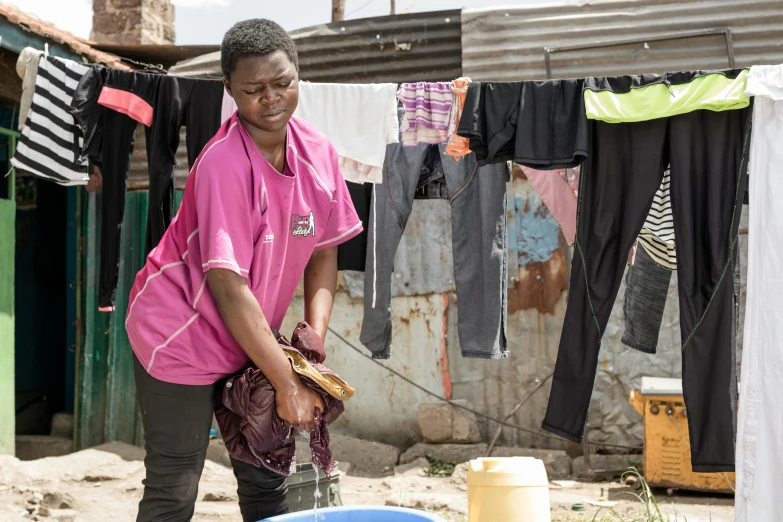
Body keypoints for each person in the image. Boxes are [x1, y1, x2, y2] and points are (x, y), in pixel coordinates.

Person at [125, 19, 362, 522]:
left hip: (250, 338)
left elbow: (323, 249)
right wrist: (286, 383)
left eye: (283, 83)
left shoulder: (319, 153)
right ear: (230, 90)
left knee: (266, 479)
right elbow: (229, 288)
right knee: (175, 485)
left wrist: (309, 348)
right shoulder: (223, 165)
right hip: (180, 333)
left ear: (299, 76)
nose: (271, 99)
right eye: (253, 90)